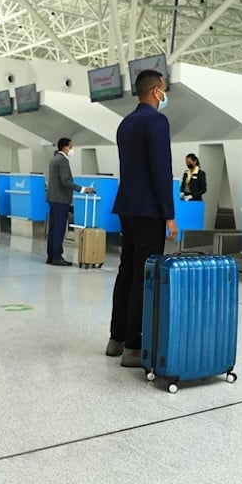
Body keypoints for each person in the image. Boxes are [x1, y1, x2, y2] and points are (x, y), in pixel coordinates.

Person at [107, 70, 178, 367]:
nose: (165, 94)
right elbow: (161, 170)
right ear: (155, 91)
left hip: (127, 207)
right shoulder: (157, 121)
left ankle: (116, 338)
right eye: (164, 89)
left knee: (127, 270)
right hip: (149, 210)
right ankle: (134, 347)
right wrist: (169, 214)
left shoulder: (125, 123)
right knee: (145, 274)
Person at [46, 137, 93, 266]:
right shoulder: (63, 161)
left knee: (53, 228)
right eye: (71, 147)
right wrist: (82, 189)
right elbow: (65, 181)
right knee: (59, 229)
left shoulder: (54, 159)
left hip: (52, 198)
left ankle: (51, 256)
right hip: (61, 199)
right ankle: (57, 257)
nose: (72, 149)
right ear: (65, 147)